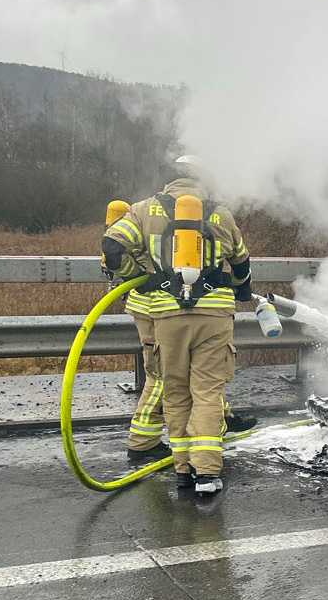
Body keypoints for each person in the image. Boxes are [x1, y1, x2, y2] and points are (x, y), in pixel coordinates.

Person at [102, 154, 253, 495]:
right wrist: (243, 289)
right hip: (213, 315)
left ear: (169, 179)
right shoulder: (220, 213)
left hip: (166, 313)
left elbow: (112, 245)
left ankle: (183, 470)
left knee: (175, 391)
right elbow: (241, 260)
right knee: (208, 392)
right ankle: (208, 474)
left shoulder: (142, 210)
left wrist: (138, 279)